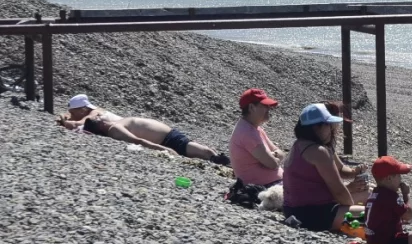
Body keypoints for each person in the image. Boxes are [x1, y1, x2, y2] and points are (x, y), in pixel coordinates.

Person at [282, 103, 365, 231]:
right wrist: (351, 209)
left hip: (293, 210)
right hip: (313, 215)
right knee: (374, 214)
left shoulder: (298, 145)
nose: (331, 129)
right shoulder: (318, 151)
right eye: (328, 125)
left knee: (368, 197)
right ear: (317, 127)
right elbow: (339, 192)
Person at [83, 115, 229, 164]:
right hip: (168, 141)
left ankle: (227, 163)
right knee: (205, 152)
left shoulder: (114, 123)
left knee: (205, 152)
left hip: (170, 137)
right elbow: (137, 141)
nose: (100, 115)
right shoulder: (114, 129)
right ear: (101, 125)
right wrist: (165, 150)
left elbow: (88, 119)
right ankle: (232, 165)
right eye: (99, 118)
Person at [229, 88, 285, 187]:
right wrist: (272, 157)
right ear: (251, 108)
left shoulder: (255, 129)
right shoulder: (247, 133)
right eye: (264, 106)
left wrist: (273, 154)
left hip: (270, 184)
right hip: (261, 188)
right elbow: (272, 164)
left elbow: (281, 153)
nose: (269, 109)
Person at [323, 100, 371, 205]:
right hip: (320, 203)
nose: (337, 126)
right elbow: (321, 191)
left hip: (327, 197)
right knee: (371, 194)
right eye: (335, 122)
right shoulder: (319, 152)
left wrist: (355, 171)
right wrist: (350, 188)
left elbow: (341, 169)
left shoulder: (327, 146)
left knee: (372, 188)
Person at [57, 94, 123, 130]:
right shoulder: (90, 111)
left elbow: (78, 124)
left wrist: (64, 121)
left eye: (73, 113)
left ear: (82, 110)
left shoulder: (94, 113)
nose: (72, 115)